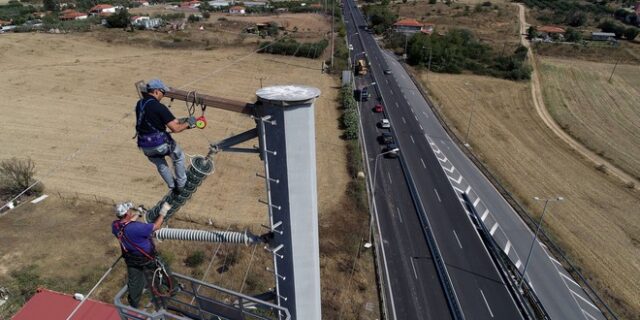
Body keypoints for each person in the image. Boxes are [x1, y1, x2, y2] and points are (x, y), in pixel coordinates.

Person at [135, 79, 195, 195]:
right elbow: (175, 128)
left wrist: (184, 120)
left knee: (160, 164)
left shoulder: (140, 104)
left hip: (144, 145)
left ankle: (173, 186)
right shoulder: (159, 107)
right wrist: (189, 123)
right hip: (160, 143)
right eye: (164, 93)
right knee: (178, 156)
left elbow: (171, 121)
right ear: (157, 91)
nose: (164, 95)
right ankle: (182, 184)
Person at [112, 201, 172, 308]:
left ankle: (134, 303)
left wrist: (138, 213)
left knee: (134, 284)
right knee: (164, 271)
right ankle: (173, 288)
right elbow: (156, 226)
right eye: (130, 211)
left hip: (131, 261)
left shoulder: (115, 226)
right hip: (147, 259)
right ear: (127, 214)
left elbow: (126, 223)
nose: (131, 212)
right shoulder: (137, 227)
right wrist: (163, 212)